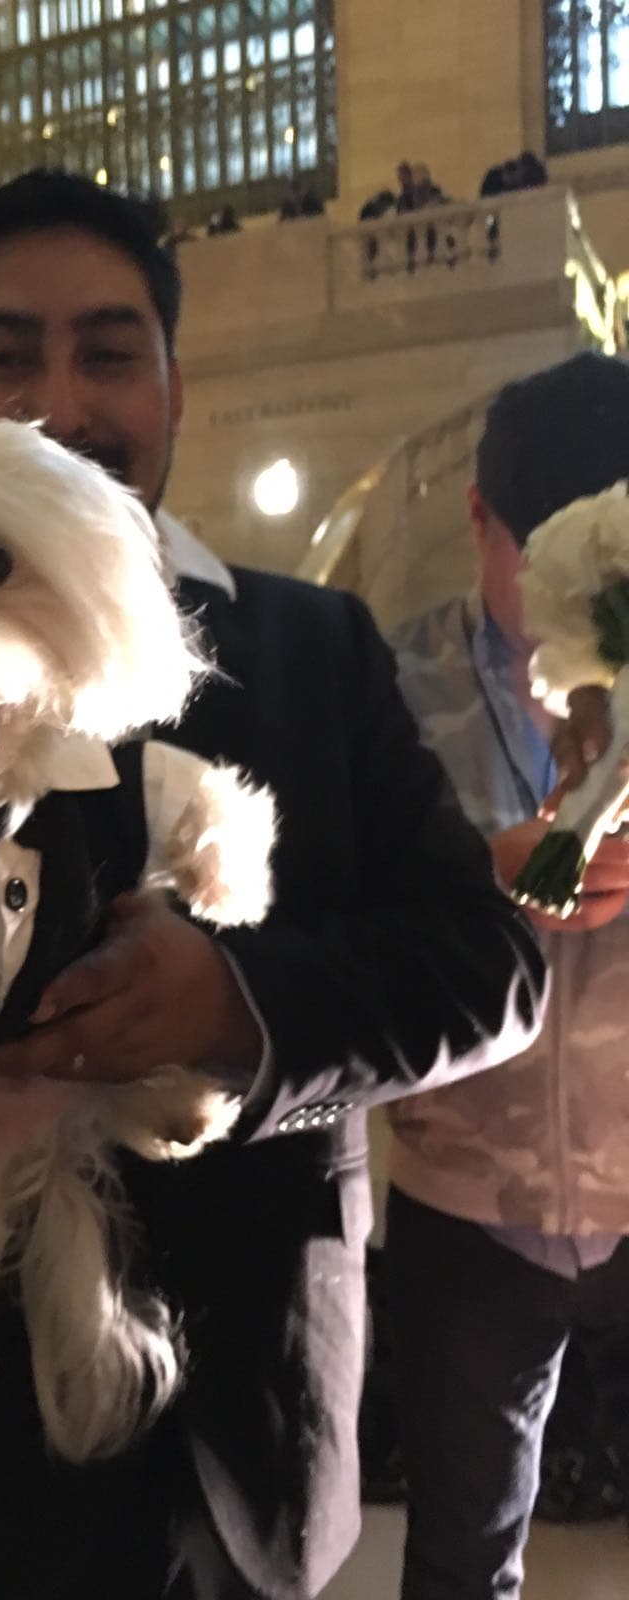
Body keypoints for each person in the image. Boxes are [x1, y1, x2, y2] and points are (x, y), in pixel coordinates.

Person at [0, 170, 545, 1600]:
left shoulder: (314, 651)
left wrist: (230, 1008)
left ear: (177, 388)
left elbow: (483, 971)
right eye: (5, 356)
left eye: (110, 354)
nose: (62, 407)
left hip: (235, 1453)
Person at [386, 351, 629, 1600]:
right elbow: (337, 897)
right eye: (546, 557)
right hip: (465, 1185)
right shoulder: (389, 687)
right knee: (464, 1548)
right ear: (480, 518)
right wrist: (472, 868)